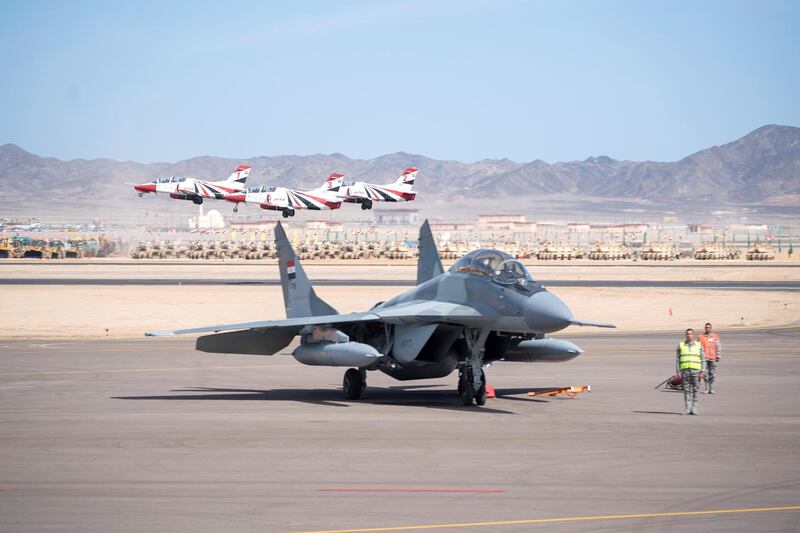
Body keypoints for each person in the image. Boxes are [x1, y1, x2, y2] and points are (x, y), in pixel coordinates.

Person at [676, 328, 705, 415]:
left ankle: (694, 408)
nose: (689, 335)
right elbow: (678, 359)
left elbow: (703, 358)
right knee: (686, 390)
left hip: (696, 370)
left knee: (695, 390)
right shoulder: (681, 345)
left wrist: (702, 371)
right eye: (687, 334)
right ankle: (688, 408)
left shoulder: (699, 345)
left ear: (693, 335)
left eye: (691, 334)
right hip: (685, 371)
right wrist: (678, 370)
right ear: (685, 335)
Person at [698, 322, 721, 394]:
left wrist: (718, 355)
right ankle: (707, 388)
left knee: (712, 374)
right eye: (706, 327)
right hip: (704, 358)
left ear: (711, 328)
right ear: (705, 328)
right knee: (705, 374)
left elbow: (718, 346)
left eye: (709, 327)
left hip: (713, 358)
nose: (708, 329)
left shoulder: (715, 336)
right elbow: (698, 347)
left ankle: (712, 388)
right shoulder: (700, 337)